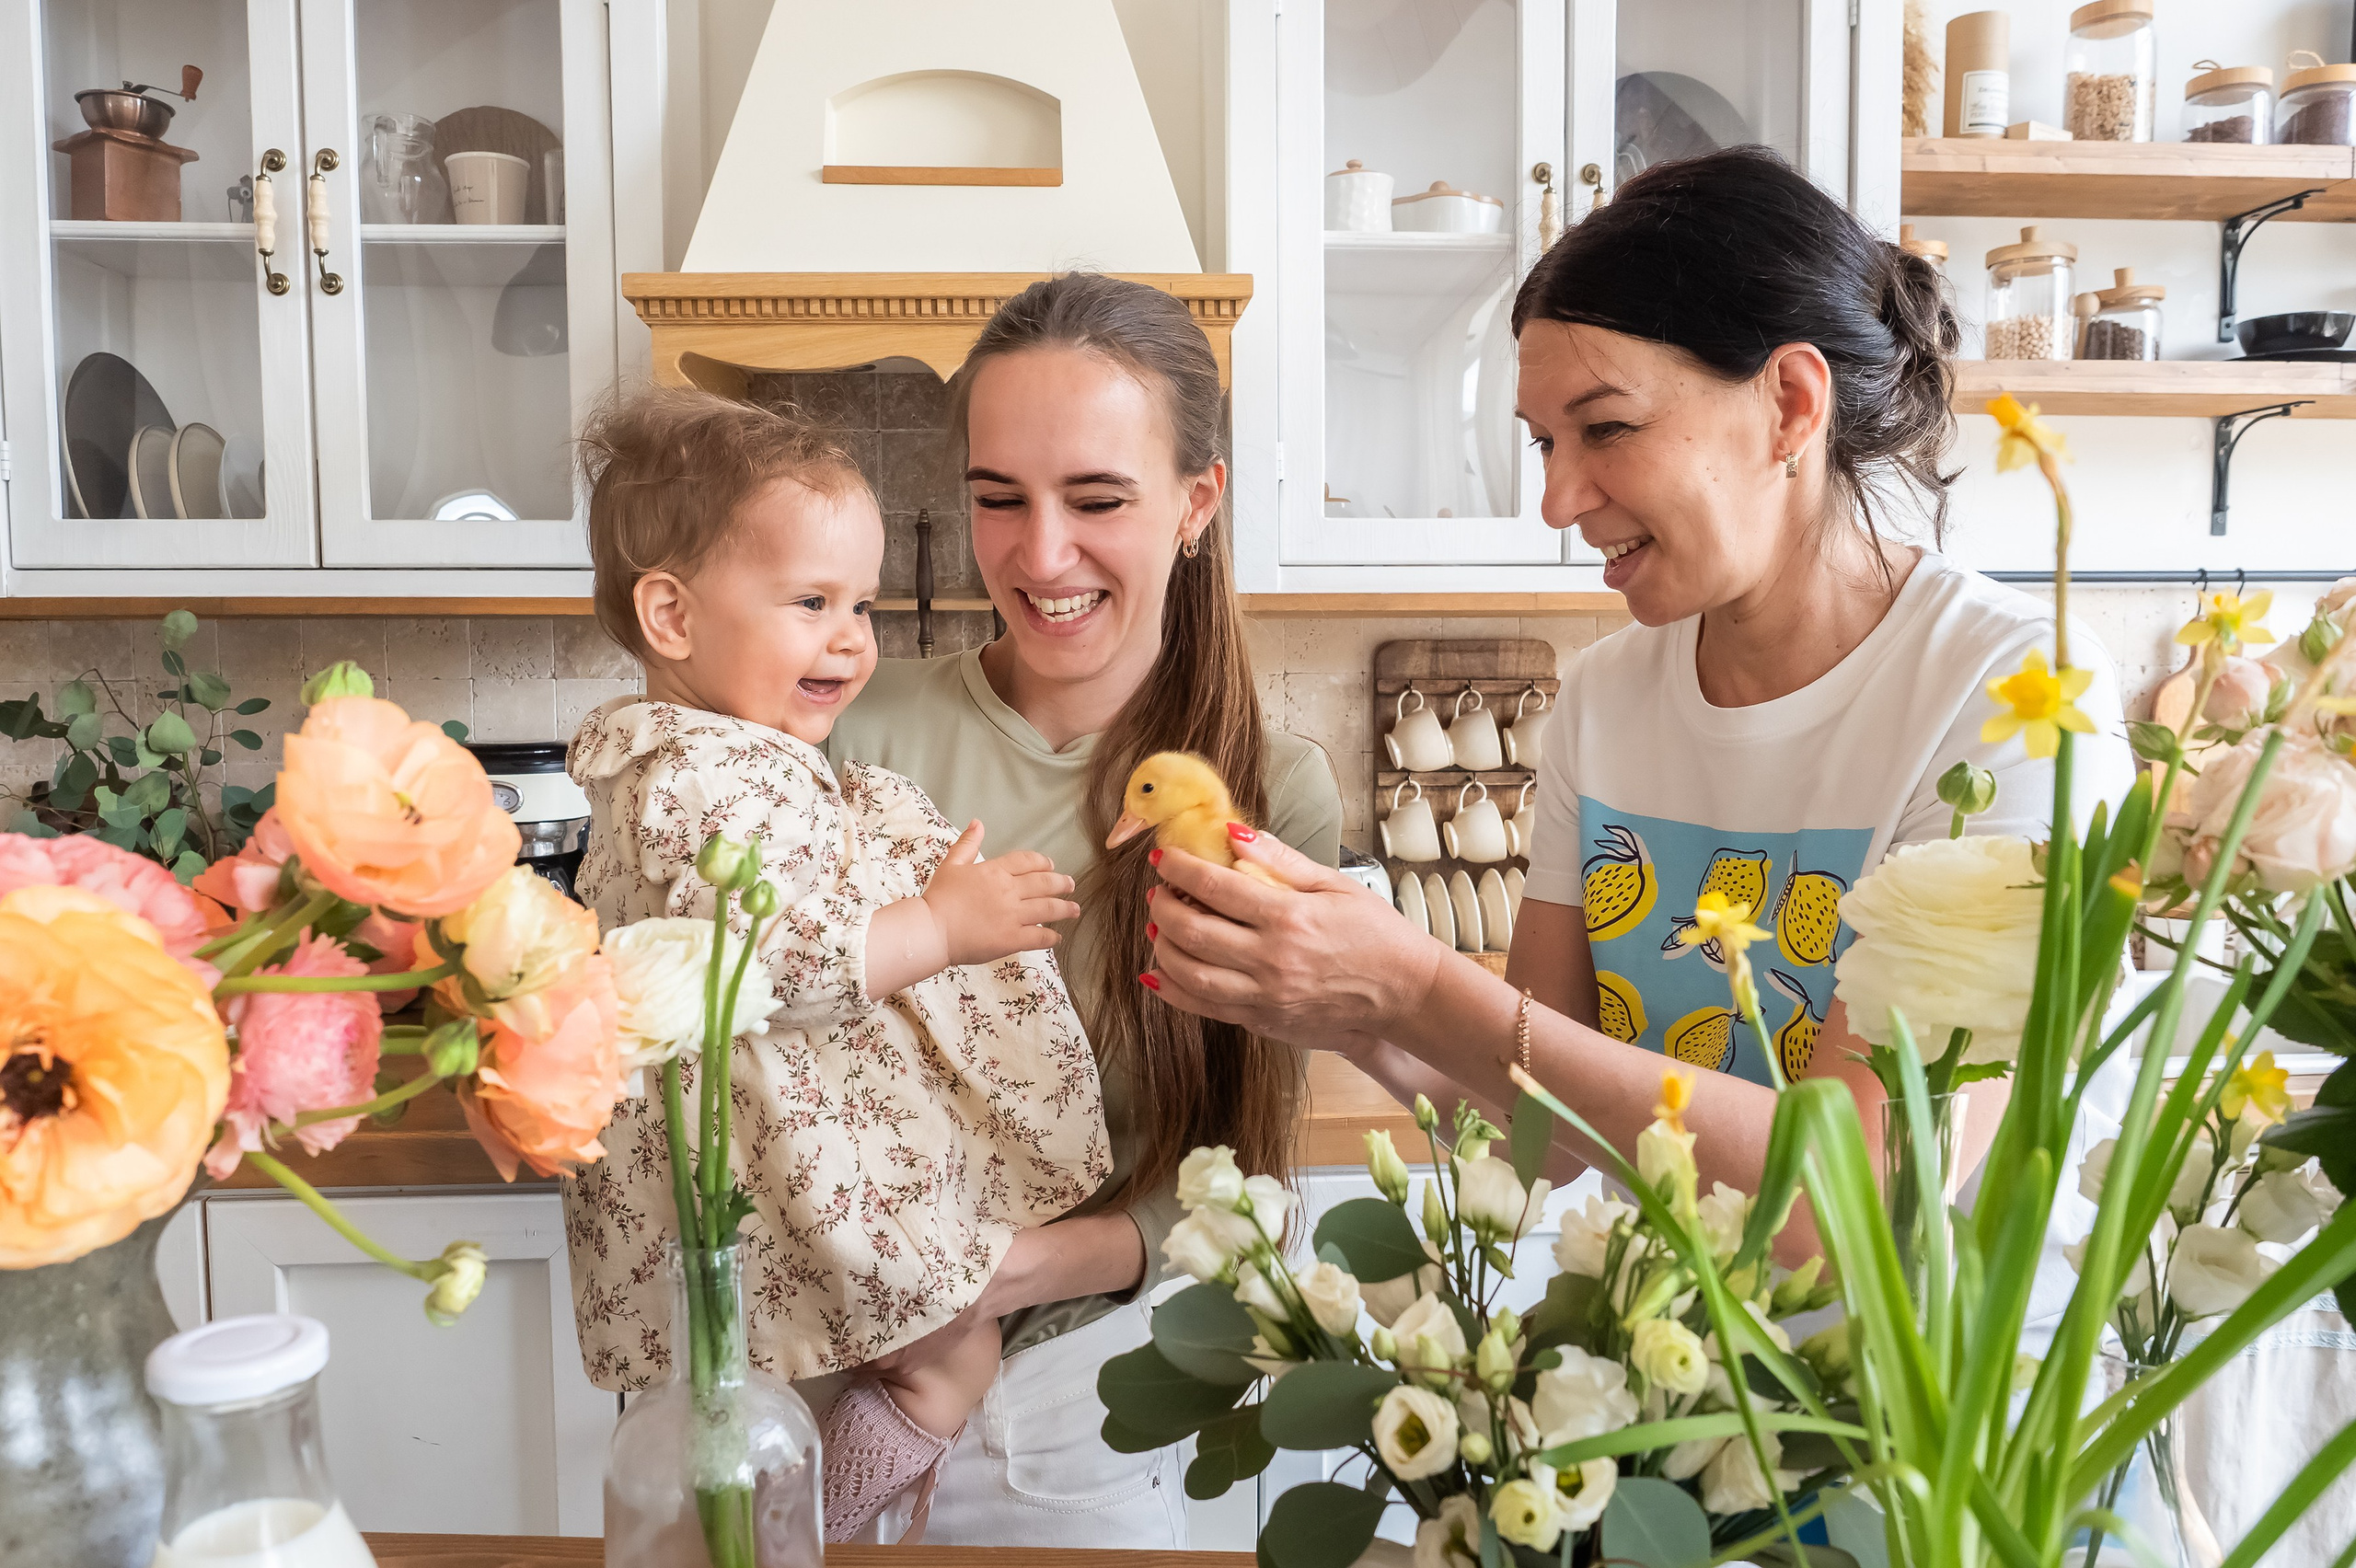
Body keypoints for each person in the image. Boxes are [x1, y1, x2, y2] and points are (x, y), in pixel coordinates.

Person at [1138, 148, 2134, 1296]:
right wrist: (1346, 1012)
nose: (1558, 500)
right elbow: (1546, 1133)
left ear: (1790, 404)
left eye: (1603, 428)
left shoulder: (2012, 692)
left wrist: (1416, 984)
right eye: (1543, 443)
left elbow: (1858, 1191)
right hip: (1663, 1394)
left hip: (1947, 1430)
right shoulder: (1608, 700)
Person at [824, 272, 1344, 1544]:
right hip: (827, 1381)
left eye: (1096, 500)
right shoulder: (850, 729)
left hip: (1074, 1420)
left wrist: (1005, 1276)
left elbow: (1242, 1182)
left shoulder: (1271, 799)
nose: (1039, 555)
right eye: (998, 499)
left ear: (1194, 505)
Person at [558, 388, 1112, 1541]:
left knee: (893, 1358)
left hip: (783, 1162)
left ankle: (809, 1514)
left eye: (857, 602)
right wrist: (942, 928)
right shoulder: (697, 777)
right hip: (776, 1176)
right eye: (810, 602)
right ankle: (820, 1525)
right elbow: (782, 958)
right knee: (946, 1353)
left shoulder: (730, 755)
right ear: (670, 614)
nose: (852, 637)